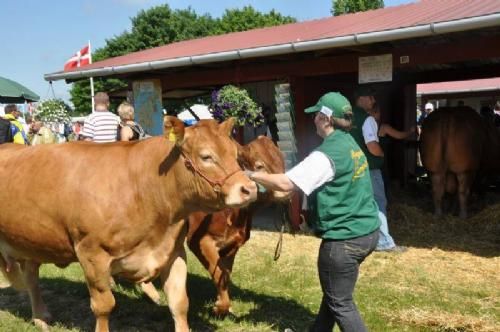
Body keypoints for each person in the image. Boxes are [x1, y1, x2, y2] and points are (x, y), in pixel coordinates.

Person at [249, 92, 381, 332]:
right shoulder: (349, 142)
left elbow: (287, 184)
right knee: (333, 295)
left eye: (317, 115)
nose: (314, 120)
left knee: (341, 303)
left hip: (344, 240)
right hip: (367, 232)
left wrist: (252, 176)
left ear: (326, 119)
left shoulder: (325, 155)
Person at [350, 86, 406, 253]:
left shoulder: (346, 118)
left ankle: (357, 238)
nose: (374, 101)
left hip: (351, 169)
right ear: (361, 99)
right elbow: (372, 146)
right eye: (371, 97)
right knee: (379, 203)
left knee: (356, 204)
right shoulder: (367, 120)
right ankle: (383, 242)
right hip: (369, 169)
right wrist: (381, 154)